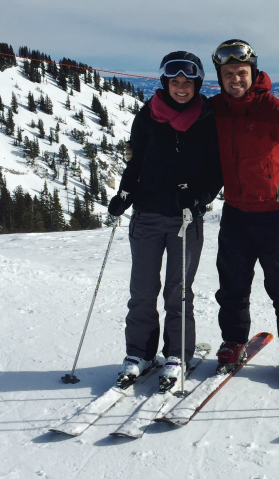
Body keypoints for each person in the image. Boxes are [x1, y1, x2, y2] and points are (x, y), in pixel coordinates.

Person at [108, 51, 222, 390]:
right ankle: (140, 354)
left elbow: (216, 170)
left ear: (197, 84)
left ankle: (177, 354)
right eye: (175, 82)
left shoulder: (207, 118)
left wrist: (199, 198)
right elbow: (136, 159)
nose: (182, 88)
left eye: (188, 82)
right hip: (146, 215)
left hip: (186, 220)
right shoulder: (148, 115)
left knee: (178, 292)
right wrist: (126, 192)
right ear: (165, 82)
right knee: (142, 291)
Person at [209, 39, 279, 376]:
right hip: (236, 213)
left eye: (241, 72)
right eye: (229, 74)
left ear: (252, 73)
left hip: (274, 212)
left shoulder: (274, 110)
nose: (235, 79)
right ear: (221, 76)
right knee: (232, 284)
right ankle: (233, 341)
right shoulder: (214, 111)